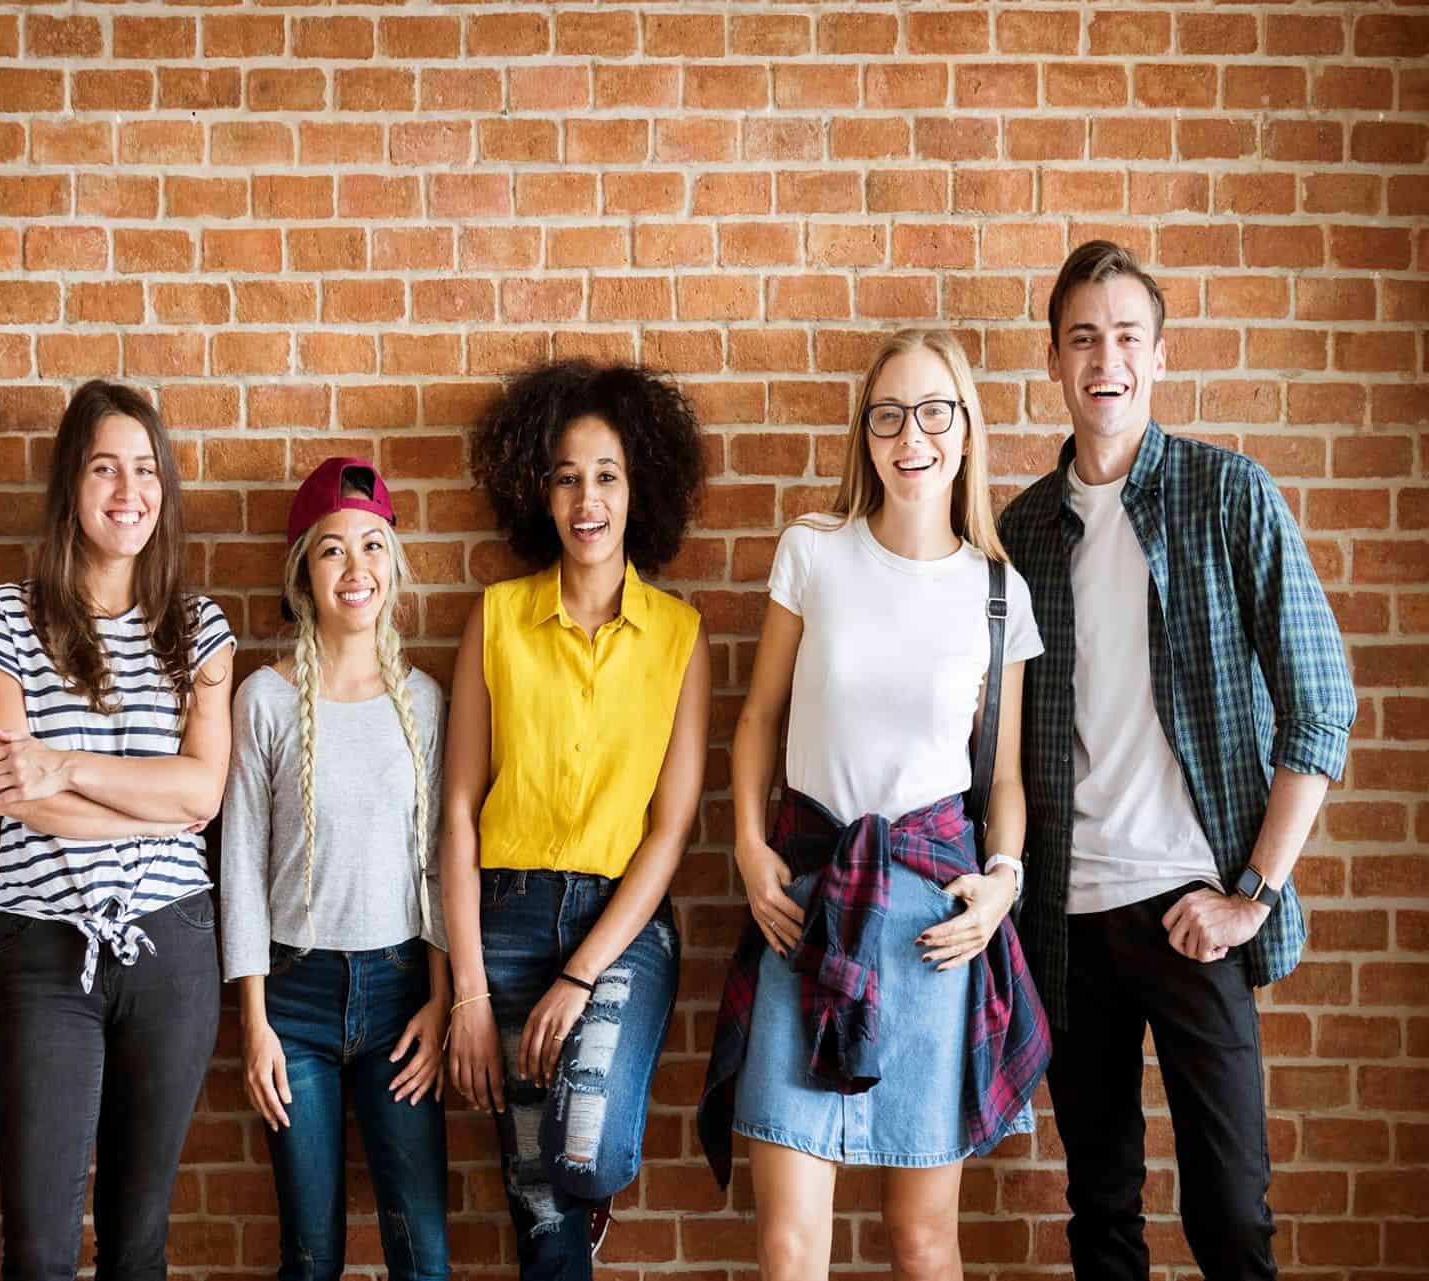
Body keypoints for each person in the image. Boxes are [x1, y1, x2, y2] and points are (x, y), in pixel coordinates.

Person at [998, 241, 1355, 1281]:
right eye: (1082, 340)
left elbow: (1321, 706)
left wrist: (1254, 889)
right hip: (1066, 922)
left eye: (1124, 338)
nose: (1104, 360)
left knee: (1232, 1217)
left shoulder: (1226, 493)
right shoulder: (1024, 530)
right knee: (1101, 1211)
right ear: (1055, 361)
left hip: (1195, 912)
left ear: (1157, 355)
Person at [697, 328, 1051, 1281]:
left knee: (924, 1240)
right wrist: (743, 844)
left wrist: (1002, 884)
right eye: (888, 414)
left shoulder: (996, 589)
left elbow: (1004, 779)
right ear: (866, 432)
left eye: (934, 411)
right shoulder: (813, 551)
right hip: (804, 907)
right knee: (787, 1242)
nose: (912, 436)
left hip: (933, 930)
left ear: (966, 430)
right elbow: (758, 718)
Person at [0, 379, 234, 1281]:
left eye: (146, 470)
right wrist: (140, 799)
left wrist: (67, 765)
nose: (128, 490)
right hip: (46, 950)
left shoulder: (198, 628)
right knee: (37, 1247)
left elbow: (202, 794)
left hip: (174, 950)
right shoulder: (7, 615)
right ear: (71, 483)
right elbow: (7, 793)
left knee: (137, 1241)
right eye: (106, 467)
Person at [440, 360, 710, 1280]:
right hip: (503, 920)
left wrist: (580, 972)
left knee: (583, 1152)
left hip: (620, 930)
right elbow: (458, 815)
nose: (586, 498)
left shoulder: (680, 635)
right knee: (542, 1225)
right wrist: (470, 993)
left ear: (640, 489)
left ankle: (590, 1193)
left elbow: (670, 832)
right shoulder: (497, 620)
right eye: (566, 477)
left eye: (606, 474)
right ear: (540, 493)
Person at [219, 457, 451, 1281]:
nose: (357, 570)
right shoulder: (264, 701)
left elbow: (436, 863)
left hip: (400, 1001)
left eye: (374, 546)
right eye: (333, 551)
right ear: (302, 573)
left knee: (423, 1254)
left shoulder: (423, 701)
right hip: (295, 1003)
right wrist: (255, 1023)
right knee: (310, 1255)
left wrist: (442, 995)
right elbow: (240, 867)